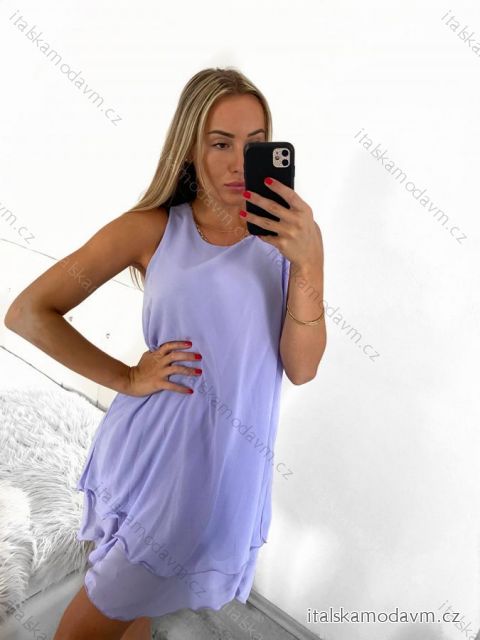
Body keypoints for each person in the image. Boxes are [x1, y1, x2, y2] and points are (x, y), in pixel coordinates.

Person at [4, 66, 327, 640]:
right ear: (190, 148)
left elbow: (301, 368)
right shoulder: (150, 229)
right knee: (105, 609)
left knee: (140, 604)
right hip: (156, 456)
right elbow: (29, 312)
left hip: (231, 461)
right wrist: (127, 377)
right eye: (220, 143)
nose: (238, 162)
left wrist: (310, 262)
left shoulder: (287, 240)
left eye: (254, 144)